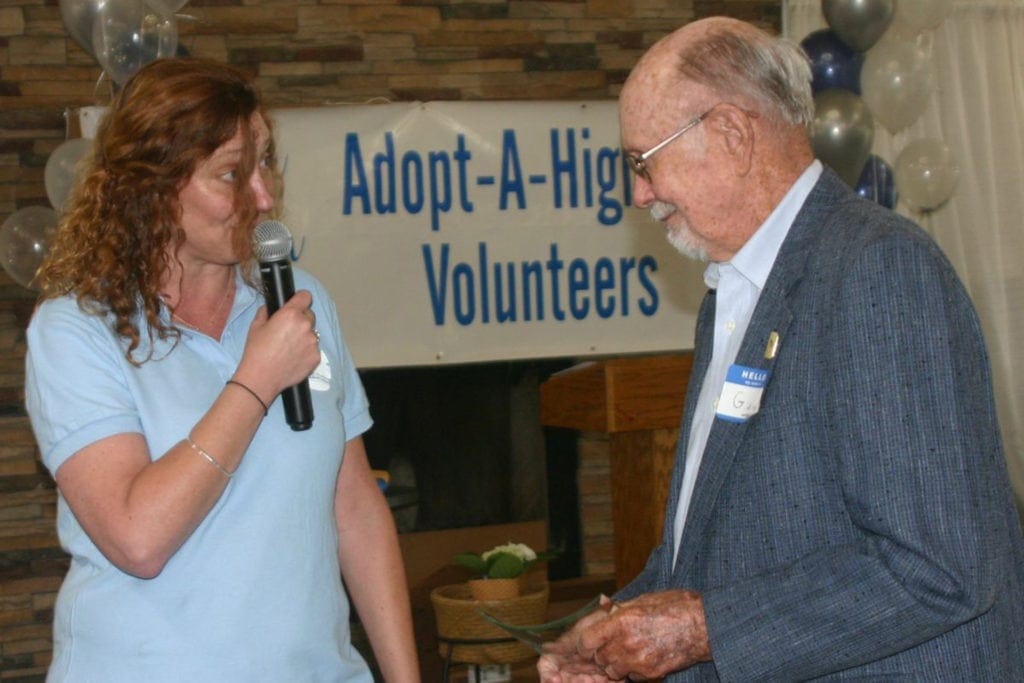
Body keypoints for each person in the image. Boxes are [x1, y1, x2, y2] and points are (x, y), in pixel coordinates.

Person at [539, 16, 1024, 682]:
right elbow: (718, 544)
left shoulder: (877, 269)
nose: (638, 194)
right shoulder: (733, 295)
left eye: (643, 163)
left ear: (732, 135)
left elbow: (941, 565)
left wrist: (700, 629)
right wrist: (611, 635)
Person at [25, 58, 419, 682]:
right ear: (153, 186)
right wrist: (255, 382)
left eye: (266, 163)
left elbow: (355, 507)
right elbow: (137, 540)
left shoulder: (300, 301)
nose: (263, 196)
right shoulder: (75, 329)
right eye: (232, 173)